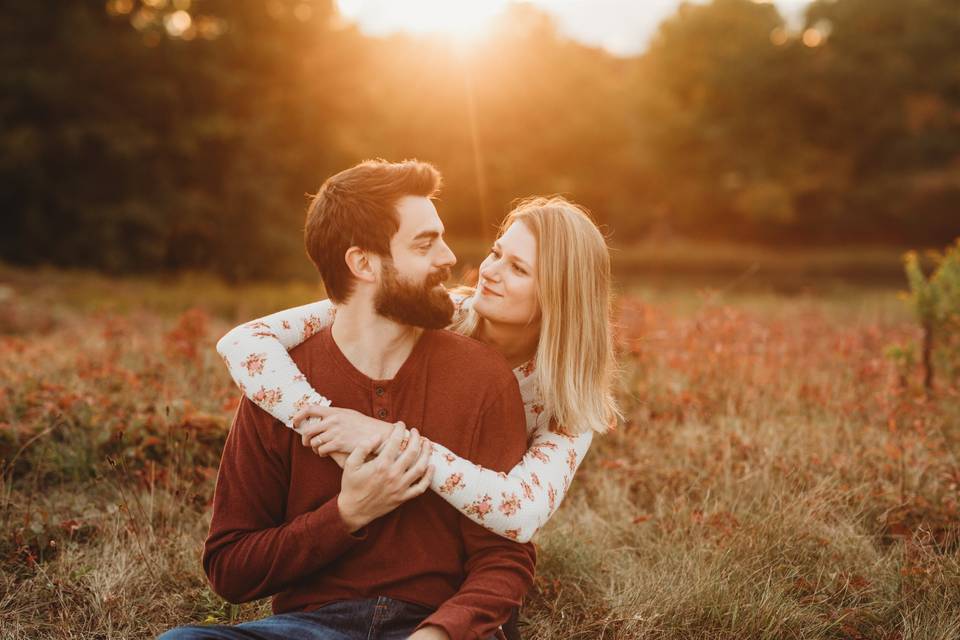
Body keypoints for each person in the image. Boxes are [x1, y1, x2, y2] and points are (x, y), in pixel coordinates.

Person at [159, 159, 535, 640]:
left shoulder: (481, 375)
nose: (449, 257)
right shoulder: (278, 385)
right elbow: (230, 568)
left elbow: (504, 558)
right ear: (362, 264)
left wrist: (439, 633)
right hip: (311, 627)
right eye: (425, 243)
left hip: (434, 626)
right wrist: (346, 513)